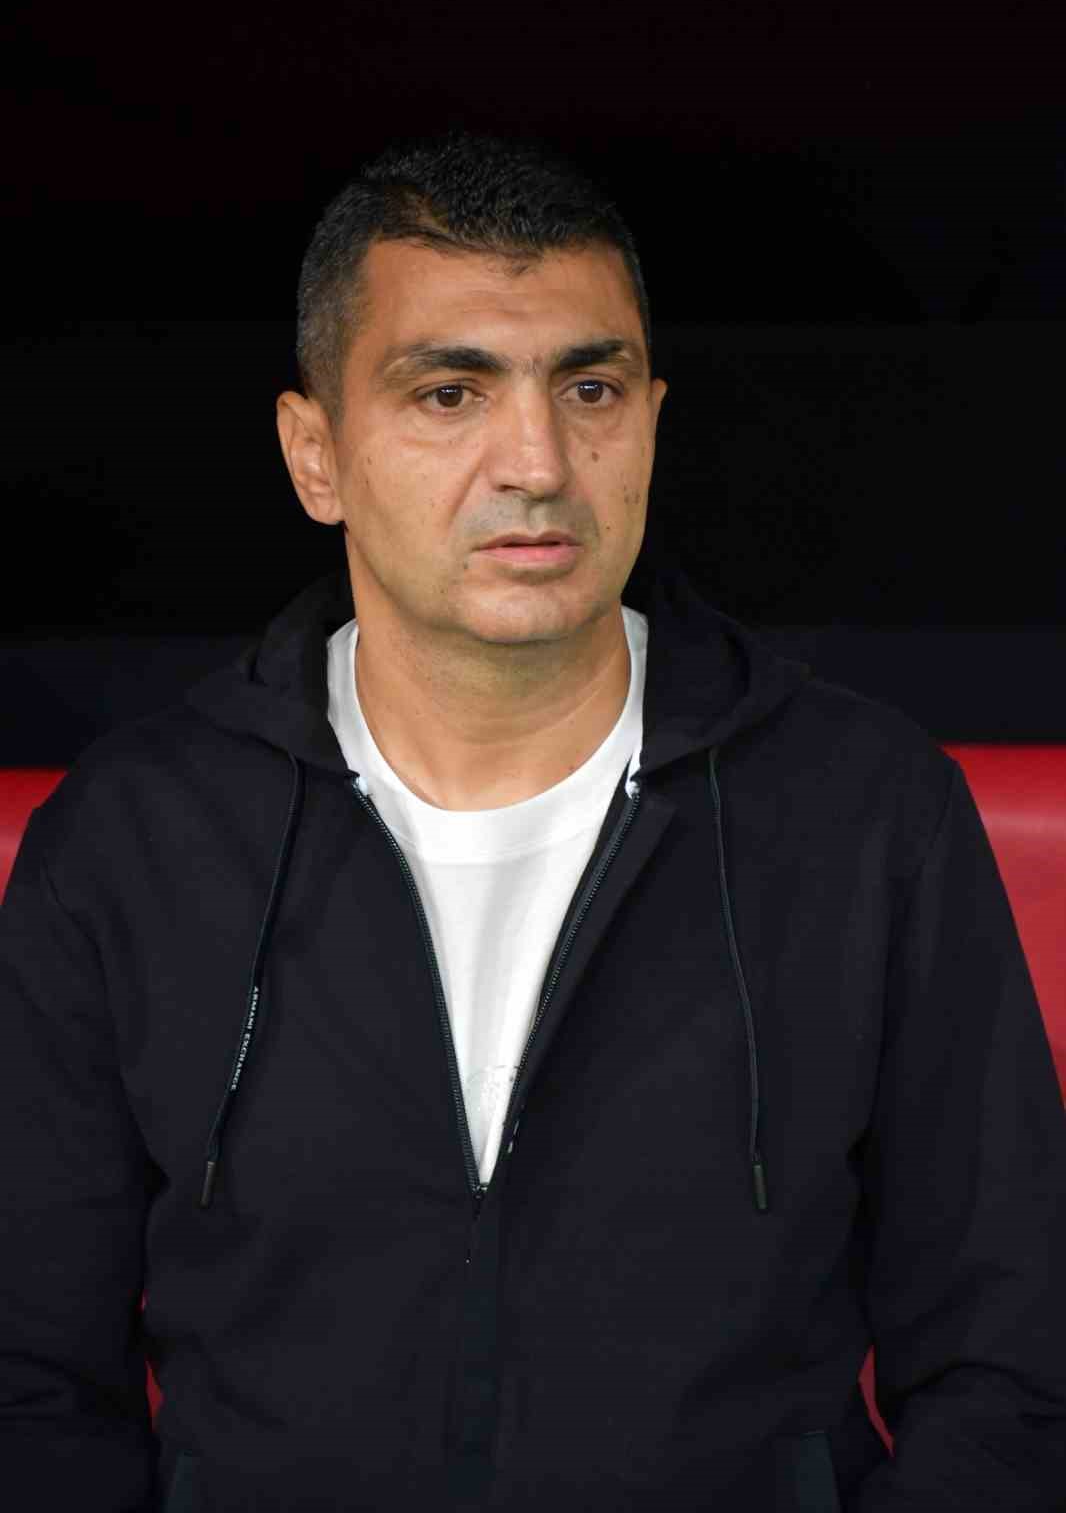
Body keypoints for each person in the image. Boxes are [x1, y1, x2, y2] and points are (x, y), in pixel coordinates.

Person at [2, 131, 1065, 1513]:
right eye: (449, 393)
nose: (539, 462)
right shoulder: (134, 839)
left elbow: (1013, 1362)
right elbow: (26, 1381)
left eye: (590, 388)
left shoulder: (864, 810)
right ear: (316, 456)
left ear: (652, 421)